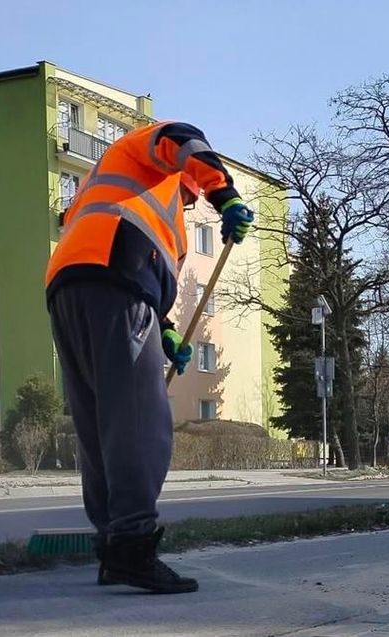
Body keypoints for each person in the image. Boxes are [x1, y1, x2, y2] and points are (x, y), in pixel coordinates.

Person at [44, 121, 254, 593]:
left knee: (101, 423)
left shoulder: (117, 189)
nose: (194, 199)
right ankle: (134, 547)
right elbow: (185, 138)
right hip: (112, 280)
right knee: (141, 421)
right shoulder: (149, 155)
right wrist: (227, 195)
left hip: (69, 286)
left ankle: (113, 547)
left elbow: (141, 285)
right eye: (194, 191)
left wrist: (166, 335)